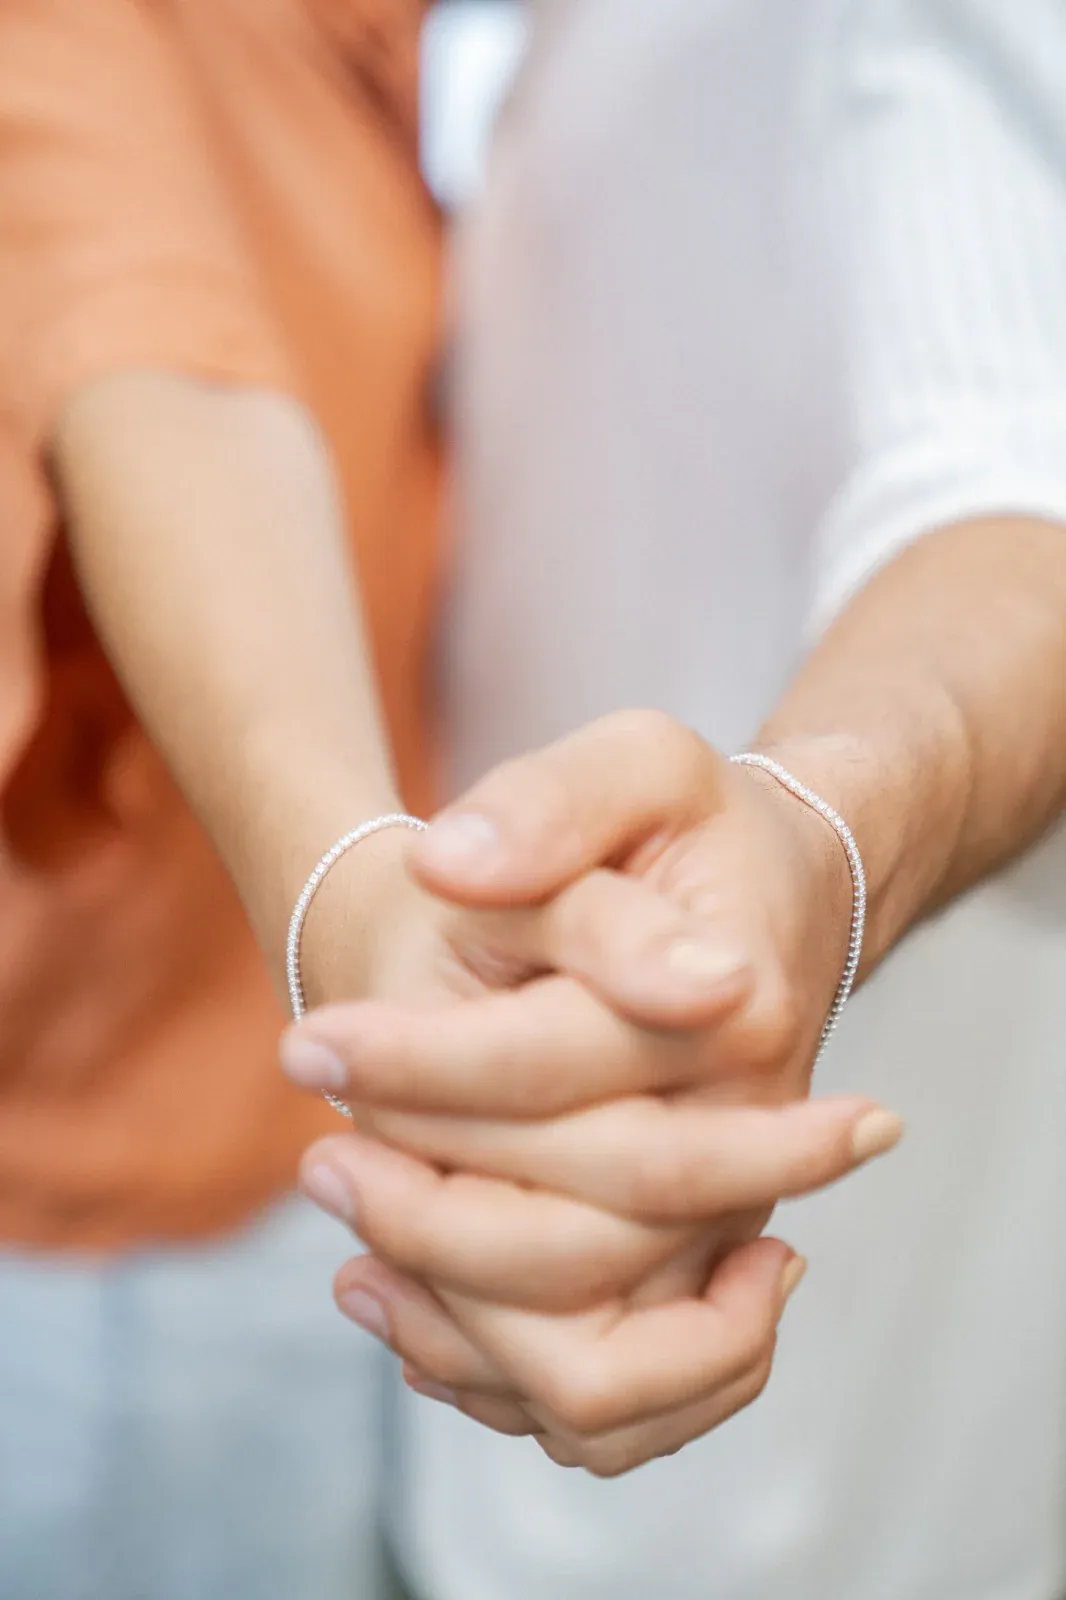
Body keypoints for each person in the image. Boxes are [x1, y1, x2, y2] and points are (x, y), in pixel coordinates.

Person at [280, 0, 1066, 1595]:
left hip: (837, 1489)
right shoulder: (531, 58)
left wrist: (816, 836)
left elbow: (1010, 496)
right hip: (507, 1417)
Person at [0, 2, 441, 1595]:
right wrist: (359, 897)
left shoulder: (396, 55)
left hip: (289, 1152)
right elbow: (162, 371)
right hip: (112, 1230)